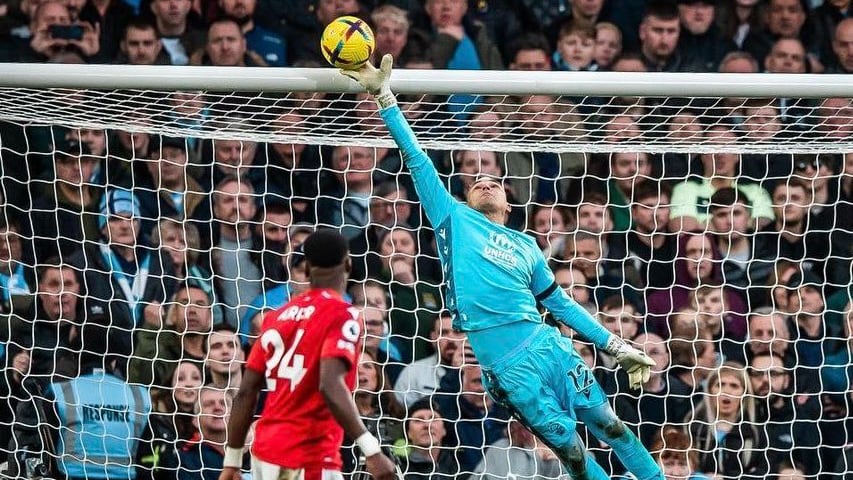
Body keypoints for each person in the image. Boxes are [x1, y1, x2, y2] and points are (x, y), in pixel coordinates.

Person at [341, 54, 661, 480]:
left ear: (509, 202)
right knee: (573, 454)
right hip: (508, 368)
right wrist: (384, 98)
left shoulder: (527, 245)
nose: (483, 181)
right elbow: (416, 158)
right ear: (465, 196)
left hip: (550, 348)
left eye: (492, 179)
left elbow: (562, 306)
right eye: (475, 181)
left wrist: (614, 346)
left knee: (613, 427)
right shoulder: (453, 220)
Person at [218, 230, 396, 480]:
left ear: (308, 267)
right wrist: (372, 450)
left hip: (265, 452)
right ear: (348, 264)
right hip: (308, 455)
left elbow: (246, 392)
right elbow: (329, 384)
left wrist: (232, 462)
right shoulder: (343, 314)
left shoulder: (276, 317)